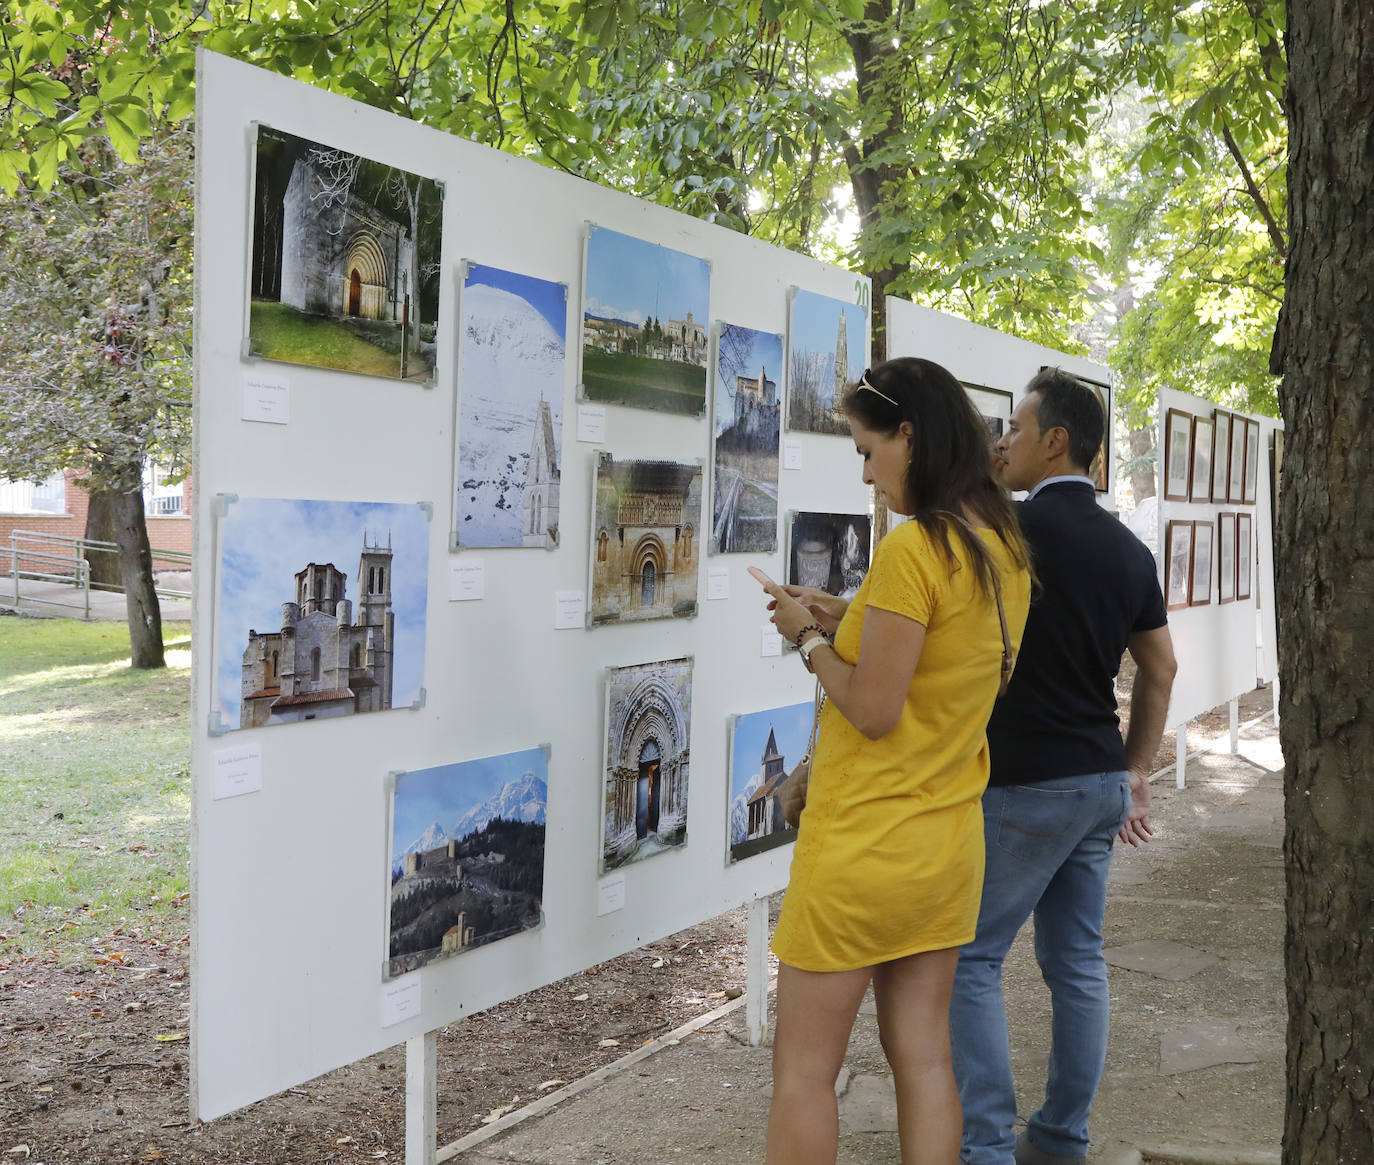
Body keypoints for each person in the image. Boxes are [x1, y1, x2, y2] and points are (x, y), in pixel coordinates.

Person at [757, 357, 1033, 1165]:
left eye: (869, 450)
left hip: (862, 848)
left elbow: (875, 707)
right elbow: (939, 656)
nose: (868, 473)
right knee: (925, 1059)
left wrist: (806, 637)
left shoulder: (917, 548)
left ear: (910, 434)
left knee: (805, 1072)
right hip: (943, 847)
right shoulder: (1003, 551)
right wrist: (845, 615)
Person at [949, 367, 1178, 1165]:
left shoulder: (1007, 531)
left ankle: (984, 1148)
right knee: (1076, 962)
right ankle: (1059, 1138)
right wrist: (1136, 766)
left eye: (1014, 426)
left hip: (1022, 782)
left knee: (969, 959)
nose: (1002, 441)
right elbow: (1162, 667)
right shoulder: (1128, 549)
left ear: (1056, 441)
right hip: (1097, 782)